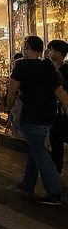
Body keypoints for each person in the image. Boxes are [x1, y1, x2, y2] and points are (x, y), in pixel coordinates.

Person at [8, 36, 66, 205]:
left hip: (31, 115)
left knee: (40, 153)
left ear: (26, 48)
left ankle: (55, 192)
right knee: (35, 149)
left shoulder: (22, 66)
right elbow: (59, 91)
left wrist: (9, 104)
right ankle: (28, 183)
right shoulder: (47, 66)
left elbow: (12, 89)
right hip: (48, 115)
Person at [46, 39, 68, 178]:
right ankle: (56, 174)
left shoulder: (64, 70)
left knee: (57, 143)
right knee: (56, 145)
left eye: (51, 49)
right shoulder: (50, 68)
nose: (48, 52)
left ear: (59, 53)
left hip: (63, 113)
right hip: (55, 114)